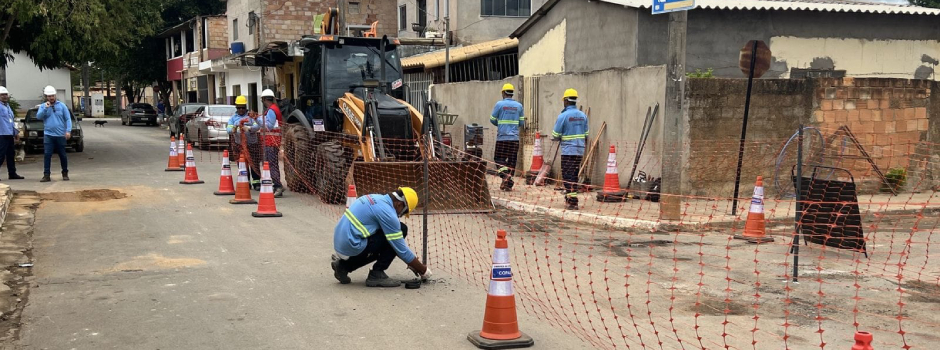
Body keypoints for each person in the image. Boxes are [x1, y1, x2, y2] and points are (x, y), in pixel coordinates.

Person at [332, 187, 430, 287]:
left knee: (390, 233)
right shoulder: (388, 213)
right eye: (403, 212)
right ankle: (377, 273)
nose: (400, 215)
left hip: (341, 243)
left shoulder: (376, 198)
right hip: (350, 246)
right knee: (401, 230)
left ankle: (343, 267)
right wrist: (422, 270)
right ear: (399, 204)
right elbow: (401, 249)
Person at [552, 88, 588, 210]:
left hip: (568, 151)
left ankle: (572, 201)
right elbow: (586, 134)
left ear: (566, 101)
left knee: (567, 175)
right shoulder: (583, 116)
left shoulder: (563, 116)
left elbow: (555, 135)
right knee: (574, 174)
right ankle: (571, 198)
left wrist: (561, 137)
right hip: (579, 150)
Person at [489, 83, 524, 191]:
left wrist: (500, 124)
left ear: (503, 93)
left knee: (499, 159)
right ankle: (508, 184)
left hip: (502, 138)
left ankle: (505, 176)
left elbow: (492, 119)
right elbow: (521, 122)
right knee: (511, 161)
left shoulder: (499, 104)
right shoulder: (519, 106)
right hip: (514, 139)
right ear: (512, 93)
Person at [36, 85, 70, 182]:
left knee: (62, 154)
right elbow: (39, 116)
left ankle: (65, 173)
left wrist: (68, 131)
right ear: (46, 97)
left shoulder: (62, 106)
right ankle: (46, 175)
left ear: (55, 95)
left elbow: (68, 119)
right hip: (48, 135)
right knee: (47, 154)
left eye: (52, 96)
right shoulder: (43, 106)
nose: (51, 98)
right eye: (49, 96)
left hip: (60, 135)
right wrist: (46, 108)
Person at [227, 96, 261, 185]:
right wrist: (233, 129)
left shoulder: (251, 117)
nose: (241, 109)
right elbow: (228, 129)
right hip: (239, 144)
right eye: (239, 108)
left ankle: (256, 182)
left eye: (243, 107)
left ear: (246, 107)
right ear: (236, 108)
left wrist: (249, 128)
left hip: (252, 144)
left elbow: (257, 126)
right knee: (242, 163)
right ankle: (246, 182)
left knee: (254, 163)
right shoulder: (233, 118)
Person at [259, 89, 285, 197]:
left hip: (271, 142)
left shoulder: (272, 111)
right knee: (270, 164)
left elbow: (268, 126)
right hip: (269, 142)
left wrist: (258, 120)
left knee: (272, 164)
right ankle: (275, 185)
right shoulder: (272, 109)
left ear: (264, 100)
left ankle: (278, 186)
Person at [0, 87, 23, 180]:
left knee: (11, 154)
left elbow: (11, 121)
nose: (5, 96)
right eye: (2, 95)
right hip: (1, 134)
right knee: (1, 154)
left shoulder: (7, 106)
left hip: (9, 133)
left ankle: (12, 173)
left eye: (6, 94)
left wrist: (15, 132)